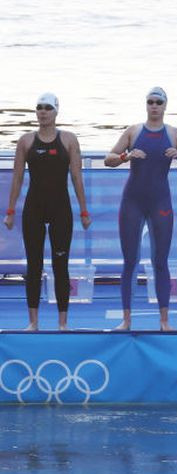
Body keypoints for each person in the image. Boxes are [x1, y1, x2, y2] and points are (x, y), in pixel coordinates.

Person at [104, 86, 177, 331]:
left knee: (160, 261)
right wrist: (126, 156)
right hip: (132, 202)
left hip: (160, 202)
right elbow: (109, 159)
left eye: (158, 102)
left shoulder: (175, 133)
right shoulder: (133, 132)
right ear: (146, 105)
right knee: (130, 261)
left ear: (165, 106)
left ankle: (164, 321)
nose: (154, 106)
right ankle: (126, 320)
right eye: (150, 102)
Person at [4, 93, 90, 331]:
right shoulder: (26, 141)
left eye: (47, 108)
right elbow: (18, 178)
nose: (43, 112)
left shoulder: (69, 140)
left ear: (56, 112)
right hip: (34, 208)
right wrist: (10, 211)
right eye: (39, 108)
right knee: (34, 265)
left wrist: (84, 211)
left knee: (60, 265)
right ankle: (33, 322)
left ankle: (63, 323)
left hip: (61, 209)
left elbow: (76, 177)